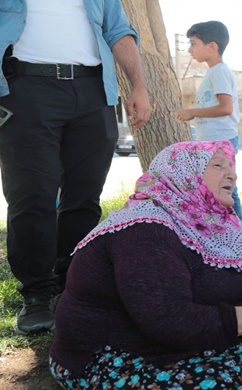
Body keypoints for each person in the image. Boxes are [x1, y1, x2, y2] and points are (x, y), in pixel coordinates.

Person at [48, 140, 242, 389]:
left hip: (171, 338)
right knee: (216, 379)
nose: (232, 174)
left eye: (231, 166)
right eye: (217, 165)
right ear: (185, 173)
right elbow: (169, 322)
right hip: (113, 353)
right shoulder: (144, 231)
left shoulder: (206, 221)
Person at [0, 0, 151, 336]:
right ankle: (37, 293)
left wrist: (138, 85)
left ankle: (75, 281)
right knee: (32, 195)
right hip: (24, 88)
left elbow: (119, 31)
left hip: (93, 92)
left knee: (84, 196)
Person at [175, 20, 242, 218]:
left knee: (227, 190)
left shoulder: (220, 72)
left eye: (194, 43)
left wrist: (193, 112)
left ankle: (239, 236)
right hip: (211, 142)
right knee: (211, 188)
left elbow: (226, 108)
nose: (189, 50)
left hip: (222, 140)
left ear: (212, 47)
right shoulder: (213, 73)